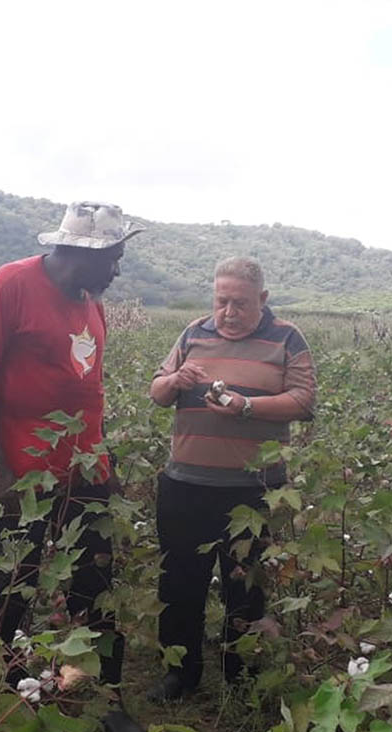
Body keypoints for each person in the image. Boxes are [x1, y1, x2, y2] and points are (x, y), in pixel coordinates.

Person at [0, 201, 146, 732]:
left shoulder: (90, 303)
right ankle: (12, 688)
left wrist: (104, 458)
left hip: (86, 470)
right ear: (81, 253)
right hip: (24, 475)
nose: (117, 269)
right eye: (112, 257)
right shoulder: (11, 285)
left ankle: (108, 693)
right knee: (9, 583)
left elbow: (89, 393)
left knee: (96, 580)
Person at [147, 257, 316, 701]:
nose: (228, 312)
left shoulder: (287, 338)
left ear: (262, 299)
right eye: (221, 301)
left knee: (246, 582)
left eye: (240, 303)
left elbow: (303, 401)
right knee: (180, 581)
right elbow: (158, 391)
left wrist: (247, 407)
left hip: (255, 489)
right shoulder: (192, 332)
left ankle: (238, 670)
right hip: (185, 483)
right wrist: (175, 380)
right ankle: (180, 674)